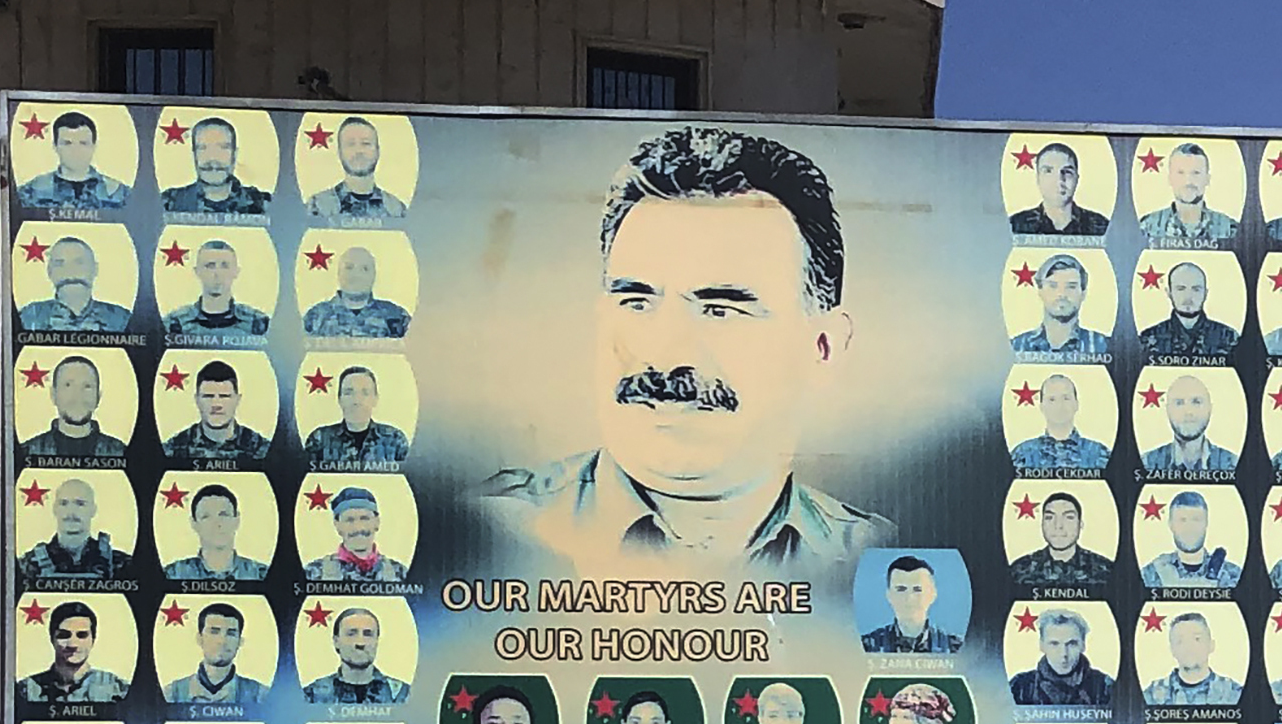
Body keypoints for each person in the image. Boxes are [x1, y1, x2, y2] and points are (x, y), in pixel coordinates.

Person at [481, 126, 891, 567]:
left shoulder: (879, 559)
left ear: (822, 348)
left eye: (720, 309)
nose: (664, 354)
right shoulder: (478, 538)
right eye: (636, 302)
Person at [15, 476, 129, 583]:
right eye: (63, 503)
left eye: (80, 504)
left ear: (93, 510)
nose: (71, 512)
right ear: (55, 509)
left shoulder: (119, 564)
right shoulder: (28, 565)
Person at [17, 110, 131, 212]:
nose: (76, 151)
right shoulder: (30, 192)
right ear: (55, 146)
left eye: (83, 143)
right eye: (67, 143)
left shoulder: (119, 193)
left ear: (94, 146)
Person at [20, 355, 126, 463]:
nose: (77, 395)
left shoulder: (121, 452)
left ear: (98, 397)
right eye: (68, 385)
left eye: (87, 386)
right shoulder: (27, 452)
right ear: (53, 395)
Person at [13, 235, 130, 334]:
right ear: (49, 272)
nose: (70, 271)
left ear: (95, 269)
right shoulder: (29, 317)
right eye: (59, 264)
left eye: (79, 263)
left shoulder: (121, 319)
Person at [302, 366, 412, 471]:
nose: (357, 400)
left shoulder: (395, 440)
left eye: (365, 393)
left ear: (375, 399)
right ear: (339, 399)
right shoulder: (319, 440)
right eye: (349, 393)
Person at [303, 116, 408, 224]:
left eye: (366, 143)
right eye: (350, 144)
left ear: (377, 151)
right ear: (339, 152)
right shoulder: (318, 206)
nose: (359, 151)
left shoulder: (395, 209)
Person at [165, 361, 272, 467]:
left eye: (224, 396)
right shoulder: (174, 449)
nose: (216, 404)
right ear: (196, 400)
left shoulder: (262, 450)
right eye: (208, 396)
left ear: (237, 400)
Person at [20, 600, 127, 706]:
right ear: (52, 639)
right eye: (64, 635)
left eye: (82, 635)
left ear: (93, 639)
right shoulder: (27, 691)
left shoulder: (116, 689)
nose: (73, 644)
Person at [161, 116, 272, 217]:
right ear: (194, 154)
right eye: (203, 148)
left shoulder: (263, 205)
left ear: (235, 154)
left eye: (223, 148)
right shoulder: (169, 203)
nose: (213, 158)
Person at [162, 238, 271, 341]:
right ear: (197, 271)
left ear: (236, 272)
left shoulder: (258, 325)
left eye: (225, 266)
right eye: (210, 266)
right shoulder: (174, 324)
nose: (217, 273)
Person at [164, 601, 265, 710]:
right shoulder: (173, 695)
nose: (222, 641)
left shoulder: (260, 696)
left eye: (231, 633)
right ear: (199, 638)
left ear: (240, 642)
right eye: (214, 632)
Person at [302, 607, 411, 706]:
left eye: (368, 634)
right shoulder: (313, 696)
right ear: (336, 641)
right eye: (351, 634)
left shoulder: (402, 695)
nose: (360, 642)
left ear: (376, 641)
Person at [163, 484, 270, 583]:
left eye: (224, 515)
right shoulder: (173, 575)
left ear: (236, 520)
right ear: (194, 523)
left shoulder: (260, 574)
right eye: (206, 517)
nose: (217, 523)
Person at [1008, 255, 1111, 358]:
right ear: (1040, 291)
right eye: (1053, 286)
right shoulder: (1016, 346)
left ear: (1083, 293)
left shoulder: (1103, 346)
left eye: (1071, 286)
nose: (1061, 294)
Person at [1137, 142, 1237, 248]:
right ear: (1170, 179)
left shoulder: (1228, 229)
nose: (1188, 181)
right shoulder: (1148, 227)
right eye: (1180, 173)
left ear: (1207, 179)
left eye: (1196, 173)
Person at [303, 485, 410, 583]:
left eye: (365, 519)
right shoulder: (314, 574)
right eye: (349, 520)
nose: (358, 528)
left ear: (377, 522)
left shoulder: (401, 574)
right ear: (337, 525)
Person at [303, 243, 413, 338]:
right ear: (338, 273)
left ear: (374, 275)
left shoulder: (396, 316)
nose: (356, 275)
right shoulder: (315, 317)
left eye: (365, 269)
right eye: (349, 267)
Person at [1139, 491, 1242, 591]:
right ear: (1171, 524)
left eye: (1196, 520)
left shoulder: (1233, 575)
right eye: (1182, 520)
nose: (1189, 528)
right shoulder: (1150, 575)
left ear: (1206, 523)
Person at [1008, 374, 1110, 474]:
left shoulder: (1099, 454)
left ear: (1076, 404)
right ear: (1042, 407)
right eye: (1052, 399)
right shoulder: (1022, 455)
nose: (1059, 405)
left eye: (1066, 398)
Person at [1011, 609, 1113, 707]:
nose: (1063, 653)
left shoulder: (1104, 687)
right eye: (1054, 644)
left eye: (1071, 644)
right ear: (1041, 645)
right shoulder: (1020, 687)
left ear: (1083, 645)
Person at [1009, 492, 1115, 586]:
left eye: (1069, 517)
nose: (1058, 525)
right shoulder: (1019, 570)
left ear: (1080, 524)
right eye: (1050, 517)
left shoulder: (1106, 570)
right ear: (1042, 524)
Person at [862, 556, 963, 653]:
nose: (909, 598)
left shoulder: (956, 648)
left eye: (917, 590)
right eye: (901, 589)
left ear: (933, 595)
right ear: (889, 595)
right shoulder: (866, 647)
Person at [1140, 375, 1237, 474]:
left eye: (1196, 402)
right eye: (1179, 403)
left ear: (1209, 408)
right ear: (1168, 410)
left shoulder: (1233, 464)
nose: (1188, 411)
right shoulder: (1146, 464)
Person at [1141, 260, 1237, 360]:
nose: (1188, 296)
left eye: (1196, 289)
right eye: (1181, 289)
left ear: (1205, 293)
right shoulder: (1148, 338)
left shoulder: (1229, 338)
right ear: (1169, 292)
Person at [1144, 611, 1242, 707]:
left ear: (1211, 645)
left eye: (1197, 639)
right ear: (1172, 650)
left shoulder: (1233, 693)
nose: (1189, 646)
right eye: (1180, 641)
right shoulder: (1152, 696)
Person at [1010, 142, 1108, 236]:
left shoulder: (1101, 227)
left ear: (1076, 179)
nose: (1059, 180)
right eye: (1048, 171)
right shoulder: (1015, 225)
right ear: (1038, 178)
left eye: (1067, 172)